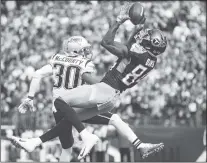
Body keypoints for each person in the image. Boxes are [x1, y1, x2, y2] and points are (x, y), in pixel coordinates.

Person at [10, 2, 167, 160]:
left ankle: (86, 136)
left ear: (148, 44)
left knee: (59, 102)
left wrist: (119, 21)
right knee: (69, 119)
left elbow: (107, 42)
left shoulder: (134, 52)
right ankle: (34, 142)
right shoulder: (151, 61)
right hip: (112, 97)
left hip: (104, 90)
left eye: (147, 36)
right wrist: (136, 29)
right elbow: (128, 49)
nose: (144, 35)